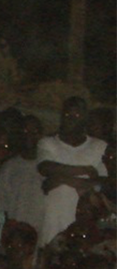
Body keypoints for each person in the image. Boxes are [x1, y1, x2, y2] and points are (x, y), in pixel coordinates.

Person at [37, 96, 108, 246]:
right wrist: (85, 170)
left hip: (86, 226)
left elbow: (102, 181)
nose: (71, 118)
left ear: (85, 118)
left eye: (76, 114)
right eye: (67, 114)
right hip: (53, 223)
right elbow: (45, 167)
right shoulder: (47, 143)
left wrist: (62, 179)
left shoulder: (100, 146)